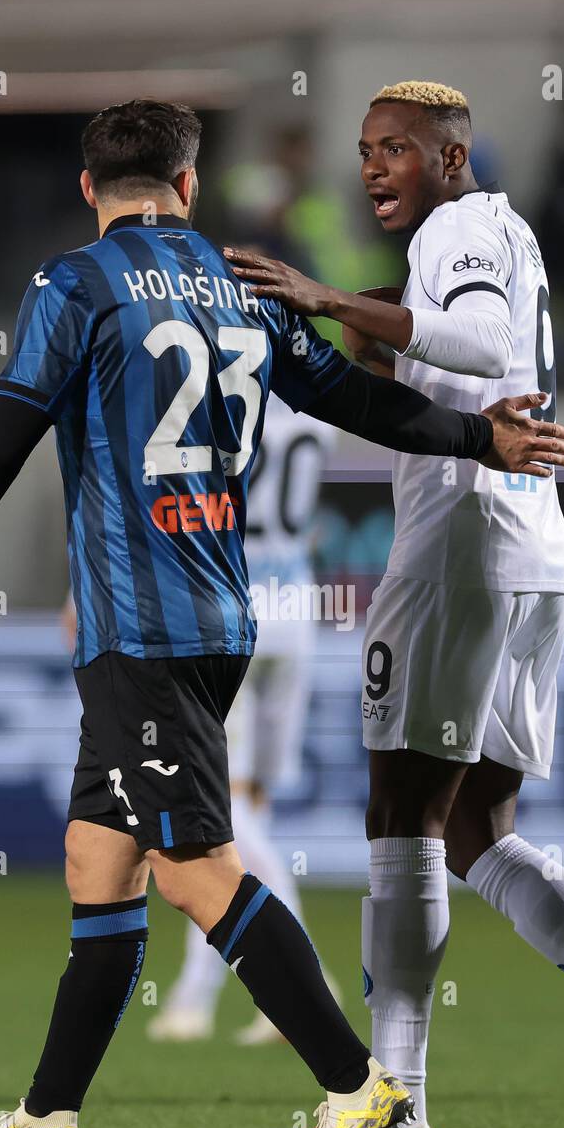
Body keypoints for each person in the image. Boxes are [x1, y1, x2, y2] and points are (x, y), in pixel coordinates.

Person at [0, 98, 564, 1128]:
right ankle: (48, 1119)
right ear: (189, 188)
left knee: (197, 871)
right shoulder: (243, 283)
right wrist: (482, 436)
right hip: (220, 616)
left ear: (89, 190)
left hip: (140, 625)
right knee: (98, 864)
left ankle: (361, 1091)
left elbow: (3, 435)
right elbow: (351, 401)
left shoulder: (73, 284)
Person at [229, 81, 564, 1128]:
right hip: (529, 548)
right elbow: (441, 335)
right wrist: (324, 312)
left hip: (461, 543)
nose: (372, 169)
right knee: (473, 833)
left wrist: (322, 294)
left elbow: (473, 340)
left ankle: (393, 1108)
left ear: (451, 157)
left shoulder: (457, 228)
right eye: (365, 150)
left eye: (397, 150)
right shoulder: (498, 228)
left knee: (398, 813)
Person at [150, 392, 341, 1045]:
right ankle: (195, 997)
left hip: (235, 611)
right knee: (241, 813)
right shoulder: (315, 416)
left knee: (221, 815)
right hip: (299, 608)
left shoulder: (226, 398)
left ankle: (299, 978)